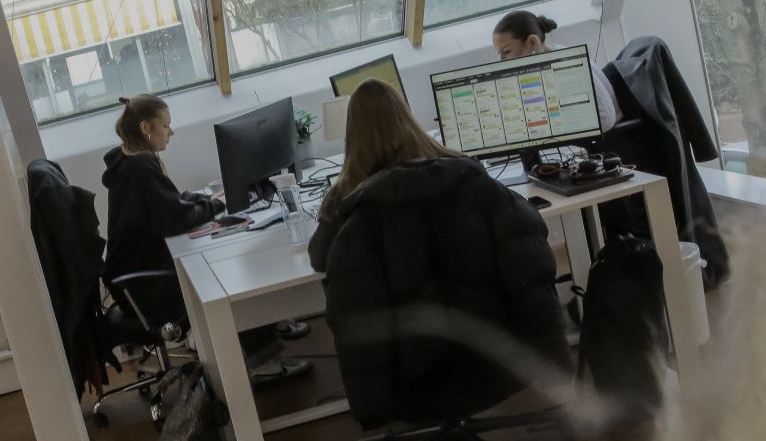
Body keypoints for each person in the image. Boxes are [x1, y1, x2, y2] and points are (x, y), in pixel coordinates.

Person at [307, 79, 570, 413]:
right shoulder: (467, 175)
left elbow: (320, 258)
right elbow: (529, 258)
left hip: (415, 374)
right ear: (407, 117)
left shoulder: (349, 198)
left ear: (352, 135)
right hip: (500, 355)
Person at [102, 94, 312, 386]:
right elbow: (176, 218)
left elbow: (168, 202)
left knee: (229, 259)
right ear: (146, 128)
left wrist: (205, 199)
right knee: (232, 276)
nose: (171, 132)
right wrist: (217, 205)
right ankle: (262, 360)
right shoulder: (139, 169)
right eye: (166, 125)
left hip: (137, 278)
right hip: (146, 286)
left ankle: (267, 325)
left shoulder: (131, 160)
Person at [492, 10, 621, 132]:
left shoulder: (564, 64)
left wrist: (552, 126)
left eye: (506, 52)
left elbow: (606, 119)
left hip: (612, 138)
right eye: (499, 54)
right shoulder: (547, 59)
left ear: (532, 42)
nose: (502, 60)